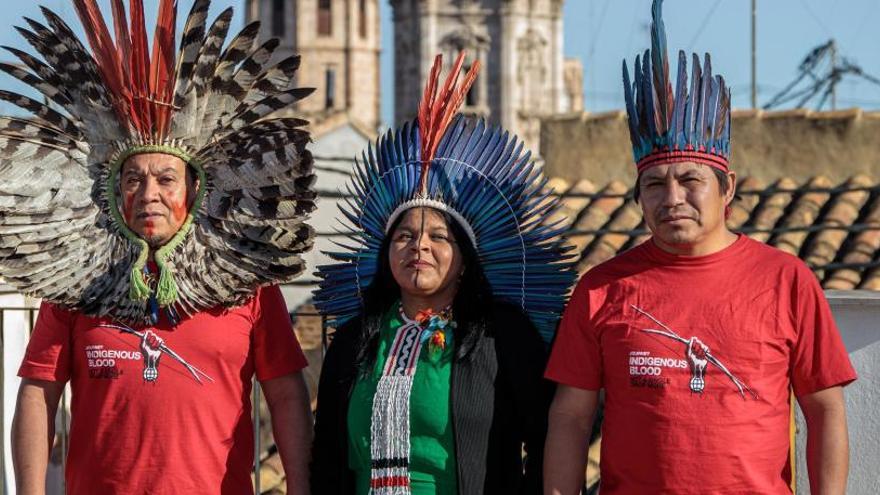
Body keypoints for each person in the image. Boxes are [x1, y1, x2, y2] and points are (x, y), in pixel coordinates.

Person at [1, 1, 317, 493]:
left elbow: (287, 394)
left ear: (194, 189)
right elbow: (38, 393)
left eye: (165, 179)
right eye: (133, 179)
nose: (149, 194)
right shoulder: (76, 284)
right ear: (112, 191)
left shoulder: (248, 284)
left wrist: (300, 486)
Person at [543, 1, 857, 494]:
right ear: (638, 197)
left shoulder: (787, 281)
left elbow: (825, 409)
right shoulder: (601, 288)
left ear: (726, 187)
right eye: (654, 185)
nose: (672, 199)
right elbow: (570, 416)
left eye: (690, 180)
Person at [310, 53, 575, 494]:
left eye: (439, 237)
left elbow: (548, 440)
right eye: (404, 237)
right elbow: (329, 456)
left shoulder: (501, 335)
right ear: (385, 253)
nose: (420, 248)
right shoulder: (358, 338)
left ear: (465, 258)